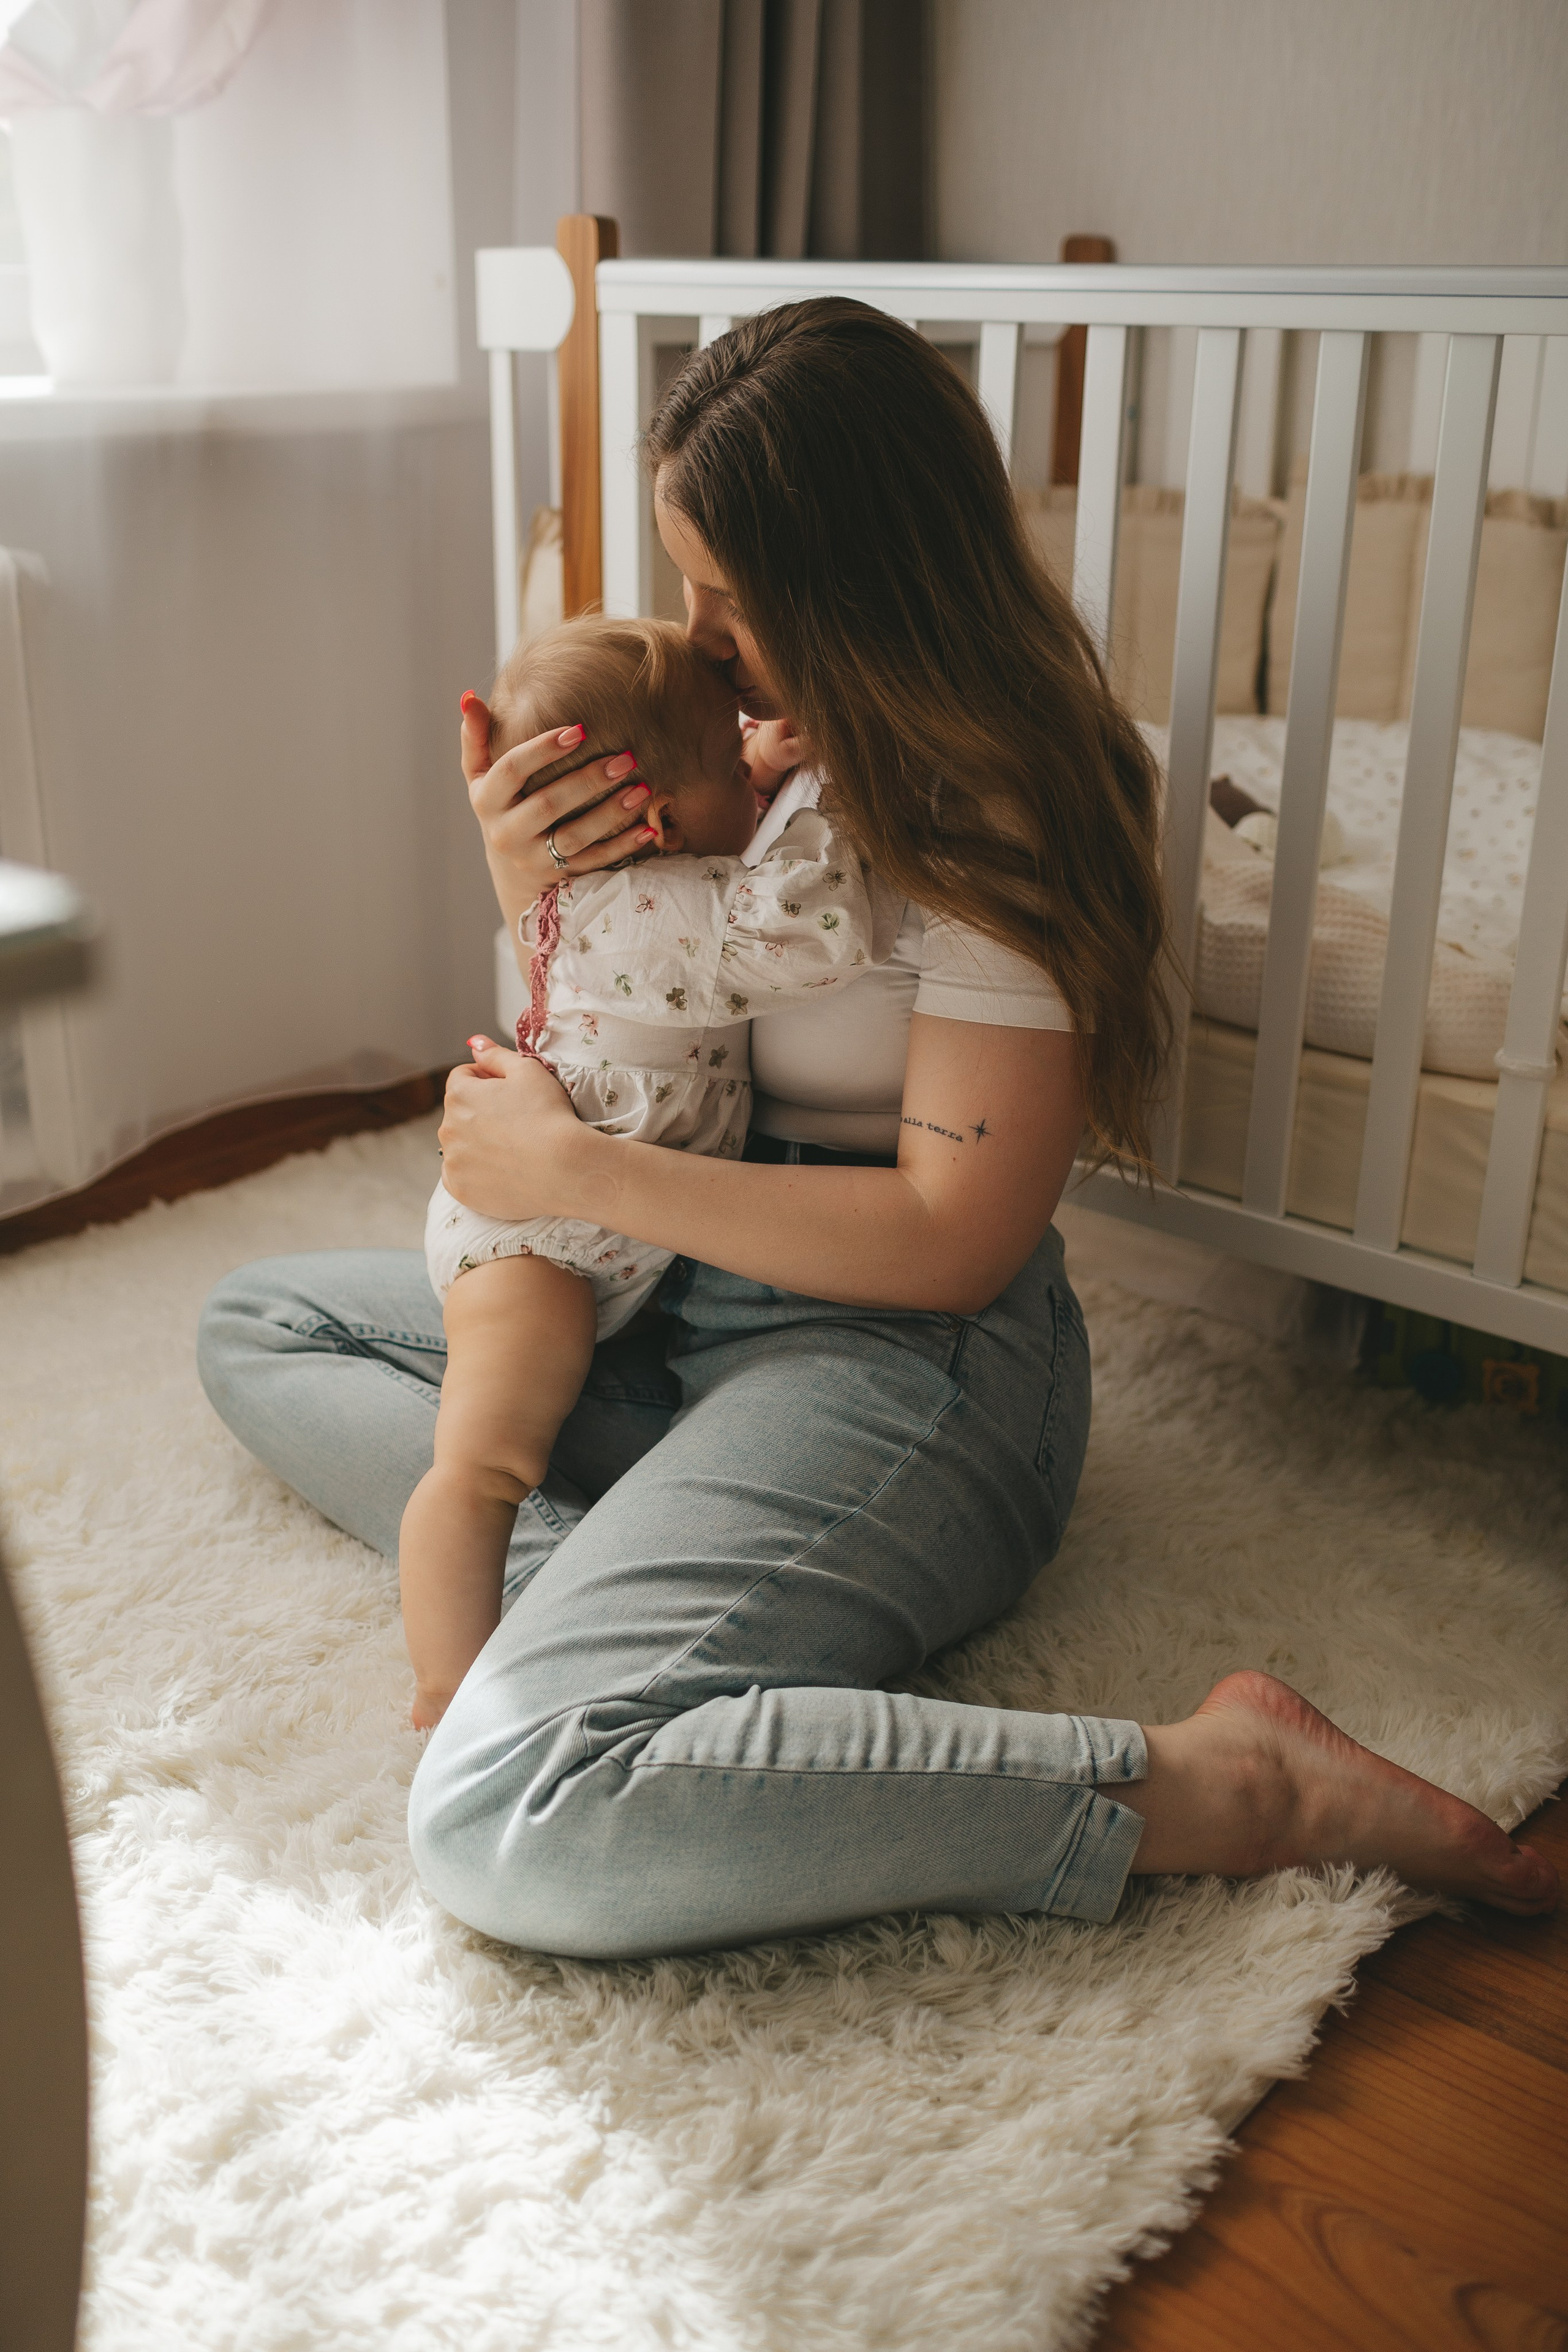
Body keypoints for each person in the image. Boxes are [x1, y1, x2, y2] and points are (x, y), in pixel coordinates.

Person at [197, 300, 1557, 1956]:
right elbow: (647, 1009)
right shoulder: (744, 747)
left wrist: (576, 1172)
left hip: (910, 1353)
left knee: (511, 1808)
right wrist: (535, 887)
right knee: (262, 1323)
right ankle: (674, 1600)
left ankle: (1223, 1785)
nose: (696, 638)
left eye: (728, 592)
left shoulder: (1000, 808)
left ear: (856, 580)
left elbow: (951, 1238)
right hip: (680, 1290)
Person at [404, 612, 879, 1728]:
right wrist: (845, 786)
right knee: (482, 1465)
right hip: (538, 1241)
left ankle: (593, 1574)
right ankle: (445, 1688)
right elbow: (813, 930)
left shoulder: (622, 874)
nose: (759, 785)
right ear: (655, 816)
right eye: (734, 761)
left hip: (585, 1219)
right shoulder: (667, 910)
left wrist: (748, 763)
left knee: (495, 1434)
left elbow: (718, 809)